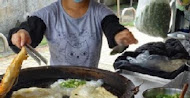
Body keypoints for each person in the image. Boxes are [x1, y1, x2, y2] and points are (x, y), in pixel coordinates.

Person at [8, 0, 138, 67]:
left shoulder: (101, 12)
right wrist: (20, 34)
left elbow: (112, 27)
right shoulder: (48, 14)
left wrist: (120, 36)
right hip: (57, 82)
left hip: (91, 83)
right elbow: (29, 29)